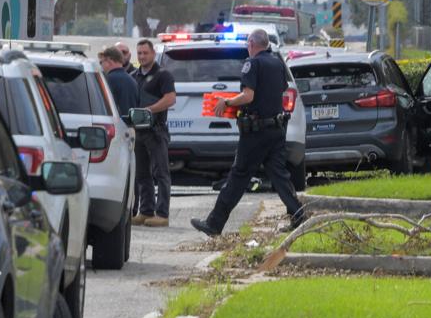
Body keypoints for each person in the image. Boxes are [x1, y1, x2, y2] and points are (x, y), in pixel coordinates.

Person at [191, 29, 305, 237]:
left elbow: (249, 95)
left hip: (256, 132)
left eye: (247, 44)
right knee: (279, 174)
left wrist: (227, 101)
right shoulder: (278, 63)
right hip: (277, 129)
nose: (247, 47)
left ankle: (214, 224)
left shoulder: (252, 63)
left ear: (252, 43)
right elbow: (277, 91)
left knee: (238, 176)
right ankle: (298, 214)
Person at [131, 39, 176, 228]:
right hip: (138, 132)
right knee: (142, 174)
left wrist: (150, 109)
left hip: (156, 131)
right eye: (139, 53)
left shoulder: (163, 75)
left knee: (161, 173)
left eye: (145, 53)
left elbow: (170, 99)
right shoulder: (134, 75)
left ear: (153, 53)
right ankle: (146, 211)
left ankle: (162, 214)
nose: (142, 56)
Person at [98, 46, 139, 116]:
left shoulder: (108, 80)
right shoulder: (132, 80)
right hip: (129, 124)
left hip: (117, 124)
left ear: (109, 61)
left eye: (101, 62)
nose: (101, 65)